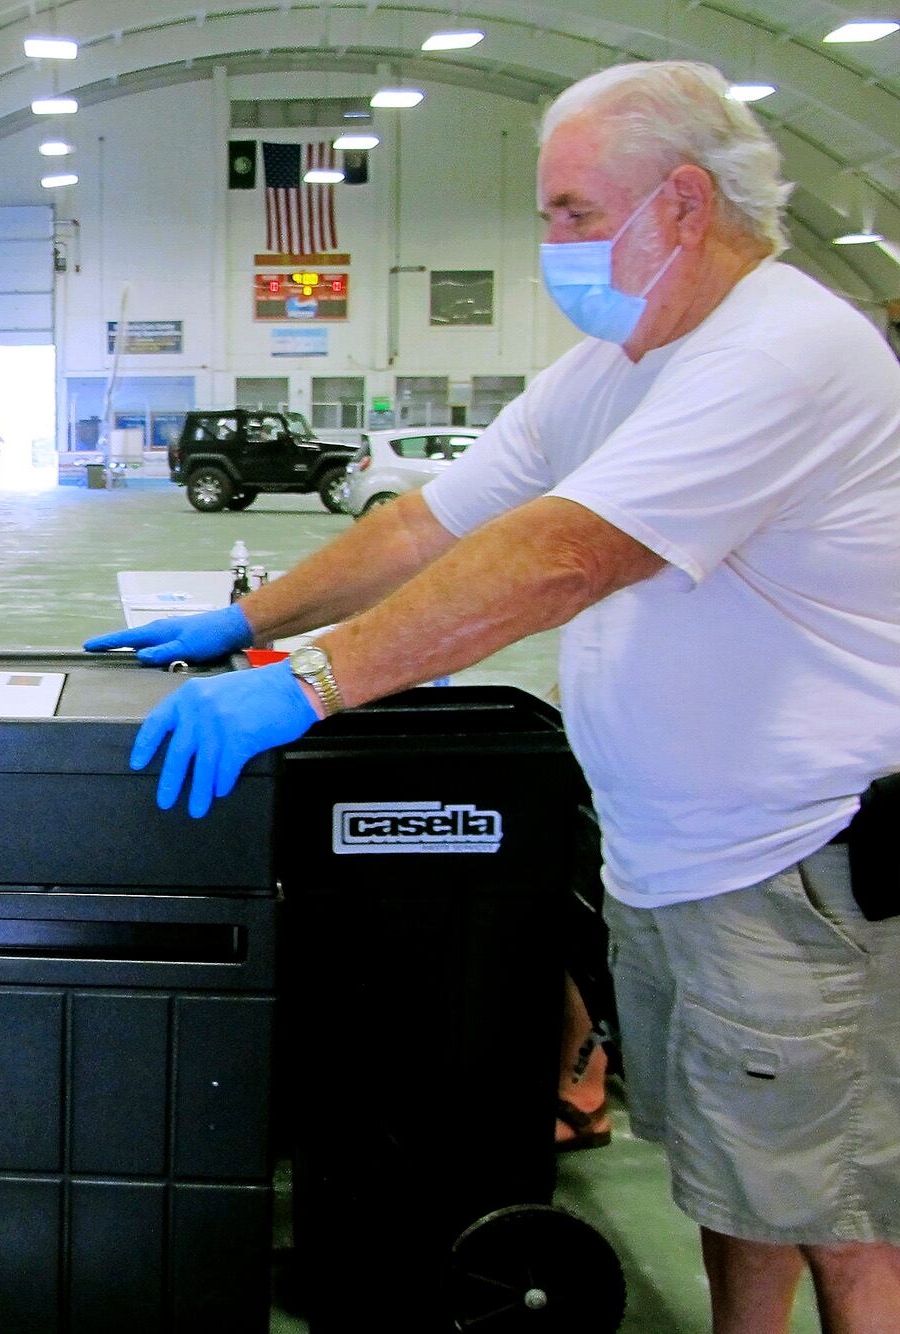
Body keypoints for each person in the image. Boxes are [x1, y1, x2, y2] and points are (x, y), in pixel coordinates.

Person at [86, 60, 900, 1331]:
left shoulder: (780, 351)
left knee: (844, 1211)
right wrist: (245, 619)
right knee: (739, 1180)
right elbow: (427, 523)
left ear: (680, 204)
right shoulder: (622, 360)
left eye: (573, 211)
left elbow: (561, 553)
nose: (549, 243)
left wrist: (307, 683)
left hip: (792, 866)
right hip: (677, 856)